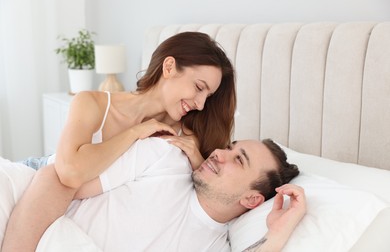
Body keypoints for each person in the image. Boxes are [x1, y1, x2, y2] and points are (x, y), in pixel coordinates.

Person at [1, 31, 236, 251]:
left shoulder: (184, 138)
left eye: (208, 96)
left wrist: (197, 160)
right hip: (40, 175)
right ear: (169, 67)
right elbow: (68, 173)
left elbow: (206, 195)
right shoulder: (93, 103)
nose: (201, 103)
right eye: (198, 88)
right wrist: (135, 133)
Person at [2, 137, 305, 251]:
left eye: (238, 160)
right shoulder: (165, 158)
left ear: (252, 200)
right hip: (22, 206)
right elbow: (54, 179)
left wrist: (277, 237)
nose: (218, 154)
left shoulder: (213, 247)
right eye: (229, 147)